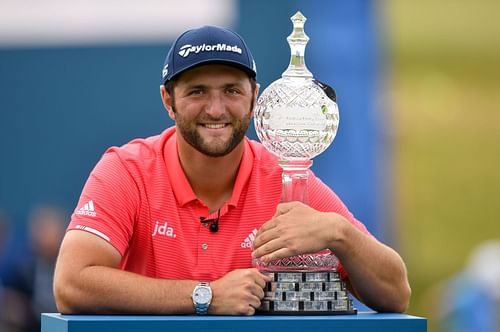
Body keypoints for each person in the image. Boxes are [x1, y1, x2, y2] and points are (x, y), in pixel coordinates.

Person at [54, 25, 411, 315]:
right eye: (197, 92)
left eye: (231, 91)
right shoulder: (127, 170)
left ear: (255, 98)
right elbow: (71, 285)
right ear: (168, 100)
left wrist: (340, 234)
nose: (215, 109)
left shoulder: (284, 175)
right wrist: (205, 296)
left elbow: (396, 294)